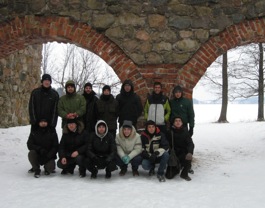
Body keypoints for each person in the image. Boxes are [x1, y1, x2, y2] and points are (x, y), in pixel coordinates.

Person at [167, 116, 194, 181]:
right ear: (173, 123)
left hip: (183, 153)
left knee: (188, 157)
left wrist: (190, 152)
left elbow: (190, 143)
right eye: (176, 121)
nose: (178, 122)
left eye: (179, 121)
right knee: (169, 176)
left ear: (182, 123)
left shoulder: (185, 132)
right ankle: (176, 168)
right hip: (173, 154)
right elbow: (166, 144)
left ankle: (184, 174)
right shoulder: (170, 132)